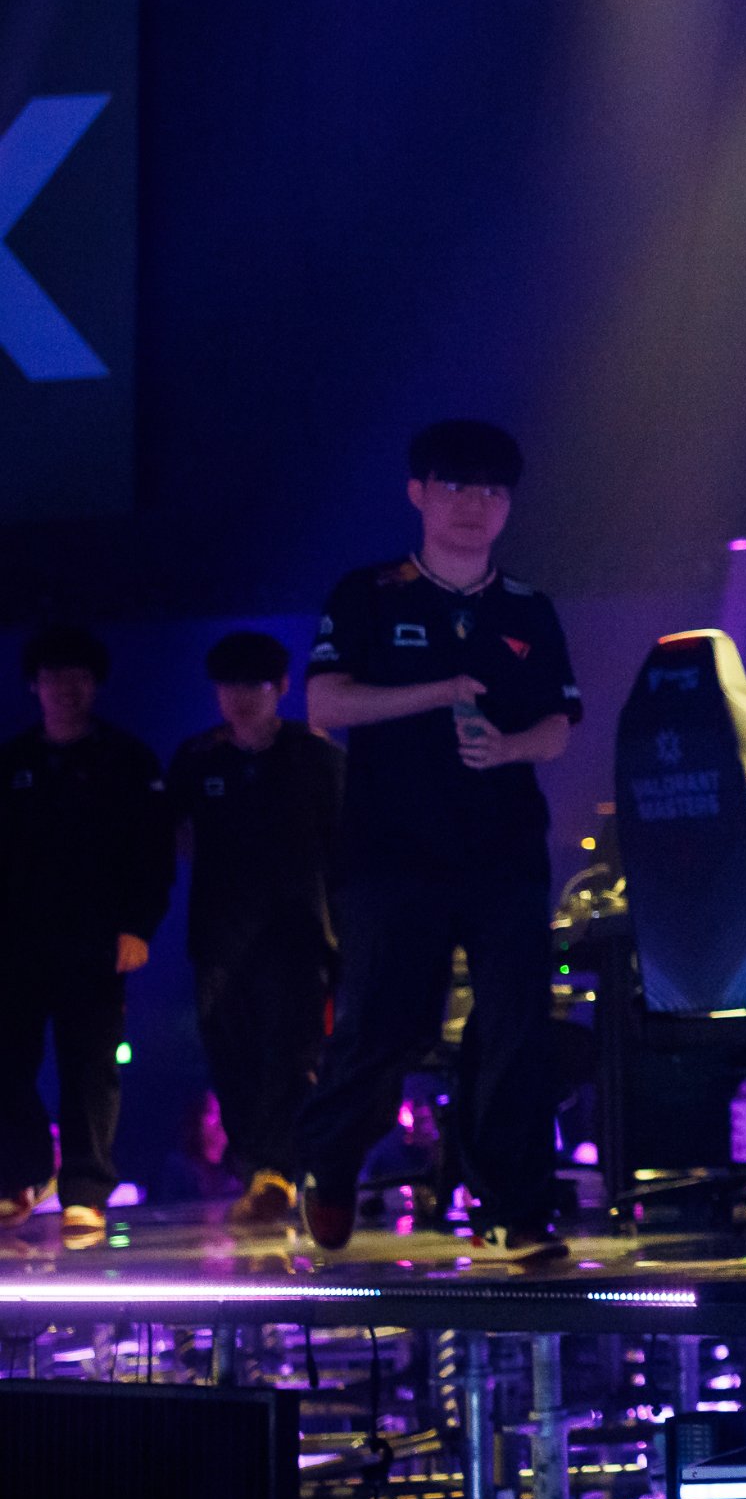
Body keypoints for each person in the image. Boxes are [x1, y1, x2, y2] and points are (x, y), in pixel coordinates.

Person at [292, 421, 582, 1265]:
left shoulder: (527, 608)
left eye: (492, 491)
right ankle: (330, 1163)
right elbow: (325, 706)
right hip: (391, 852)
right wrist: (439, 690)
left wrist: (510, 746)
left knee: (517, 1026)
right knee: (386, 1025)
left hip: (504, 851)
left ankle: (516, 1209)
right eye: (455, 486)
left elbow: (560, 723)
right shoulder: (369, 593)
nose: (473, 505)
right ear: (418, 493)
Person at [169, 630, 344, 1231]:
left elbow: (346, 843)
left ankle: (277, 1170)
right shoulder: (198, 758)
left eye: (255, 684)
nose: (241, 697)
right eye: (230, 685)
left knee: (290, 1053)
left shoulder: (314, 756)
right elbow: (173, 832)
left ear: (282, 687)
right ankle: (260, 1171)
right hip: (220, 935)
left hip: (299, 933)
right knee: (229, 1053)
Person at [0, 627, 171, 1239]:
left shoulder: (128, 760)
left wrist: (138, 926)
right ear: (34, 686)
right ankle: (17, 1175)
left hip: (96, 939)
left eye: (78, 678)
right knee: (7, 1061)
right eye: (53, 678)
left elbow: (154, 852)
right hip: (17, 940)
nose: (66, 690)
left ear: (95, 685)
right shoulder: (13, 761)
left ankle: (85, 1189)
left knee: (90, 1066)